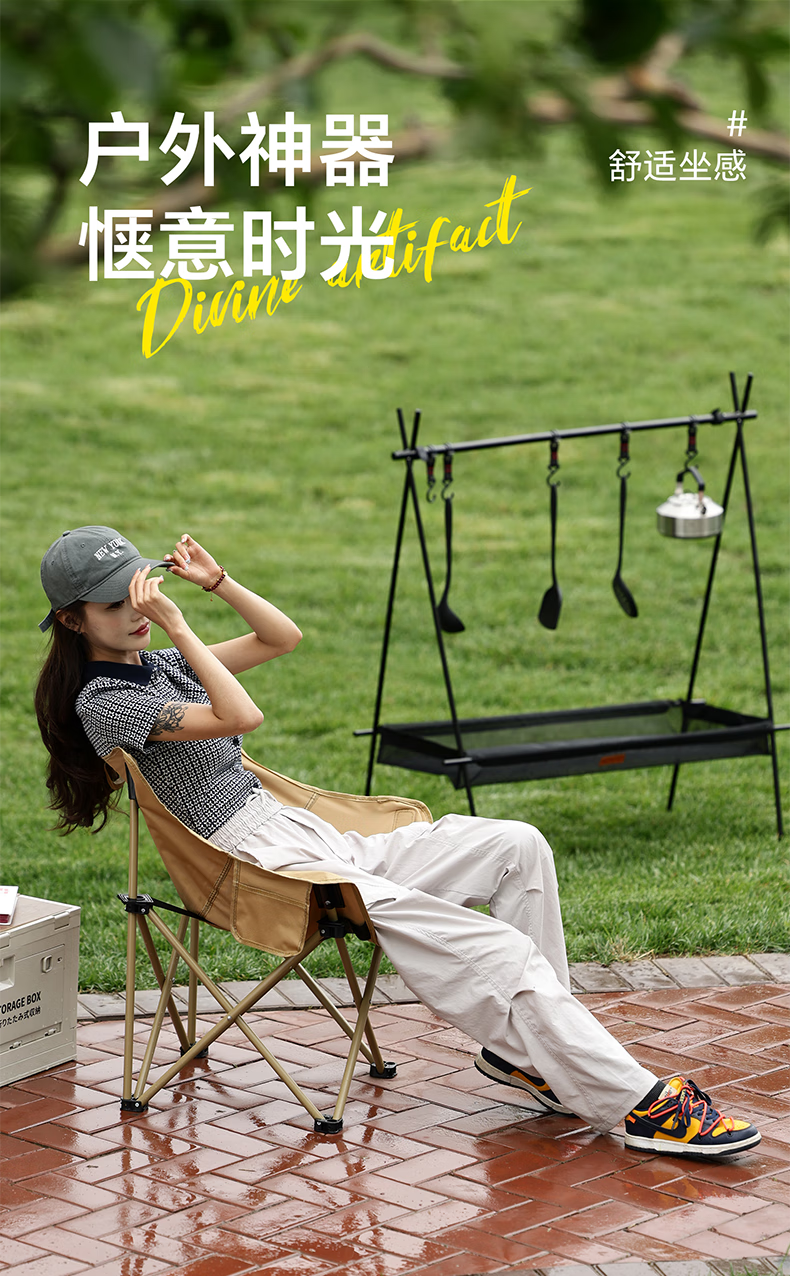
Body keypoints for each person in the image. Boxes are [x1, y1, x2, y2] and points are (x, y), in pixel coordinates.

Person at [35, 524, 760, 1158]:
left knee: (518, 845)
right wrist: (179, 625)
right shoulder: (108, 702)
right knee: (496, 951)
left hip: (306, 835)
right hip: (259, 865)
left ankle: (531, 1060)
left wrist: (218, 582)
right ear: (73, 620)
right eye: (115, 604)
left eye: (141, 592)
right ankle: (637, 1103)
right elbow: (241, 716)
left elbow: (282, 638)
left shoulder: (157, 665)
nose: (138, 611)